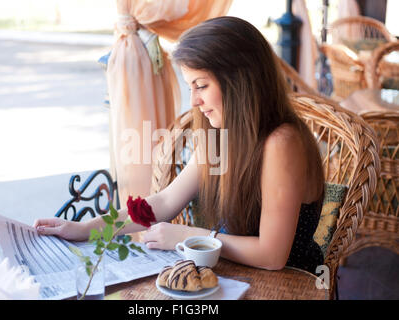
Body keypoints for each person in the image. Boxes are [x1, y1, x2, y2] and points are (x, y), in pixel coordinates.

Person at [34, 16, 325, 273]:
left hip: (288, 285)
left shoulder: (281, 142)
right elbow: (162, 203)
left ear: (240, 81)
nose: (195, 101)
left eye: (201, 85)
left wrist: (188, 236)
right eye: (190, 87)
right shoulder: (222, 136)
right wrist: (88, 229)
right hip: (233, 277)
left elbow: (272, 256)